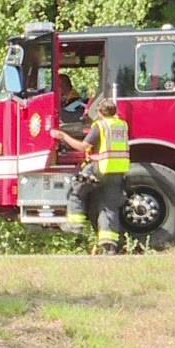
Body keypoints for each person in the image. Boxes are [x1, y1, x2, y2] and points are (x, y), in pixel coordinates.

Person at [51, 96, 130, 254]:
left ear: (100, 113)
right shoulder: (122, 125)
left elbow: (83, 146)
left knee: (76, 191)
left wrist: (63, 136)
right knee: (109, 207)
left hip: (98, 168)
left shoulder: (100, 126)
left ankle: (75, 224)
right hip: (117, 170)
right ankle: (109, 246)